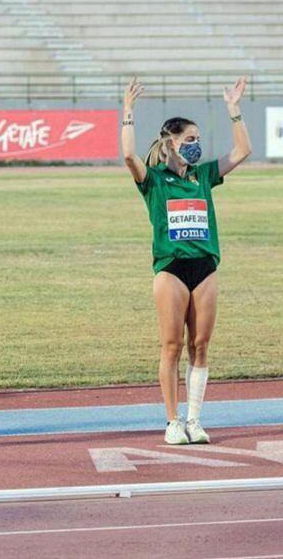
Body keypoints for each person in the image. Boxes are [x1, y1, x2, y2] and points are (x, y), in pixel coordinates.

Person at [120, 77, 251, 444]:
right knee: (172, 346)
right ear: (171, 144)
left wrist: (234, 109)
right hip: (172, 270)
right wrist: (128, 111)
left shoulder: (204, 175)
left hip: (205, 268)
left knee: (201, 345)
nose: (195, 146)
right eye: (189, 140)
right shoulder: (155, 180)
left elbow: (242, 151)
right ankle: (172, 421)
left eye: (197, 140)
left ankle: (194, 419)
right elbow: (129, 156)